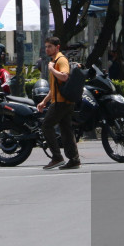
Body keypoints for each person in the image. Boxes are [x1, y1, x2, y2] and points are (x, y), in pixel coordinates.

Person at [36, 36, 81, 170]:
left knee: (46, 126)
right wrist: (44, 102)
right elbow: (55, 87)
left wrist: (51, 69)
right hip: (62, 102)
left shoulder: (60, 60)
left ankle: (57, 157)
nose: (47, 49)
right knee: (66, 131)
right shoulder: (54, 61)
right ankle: (74, 159)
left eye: (50, 46)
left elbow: (64, 76)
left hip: (61, 103)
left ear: (57, 47)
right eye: (46, 47)